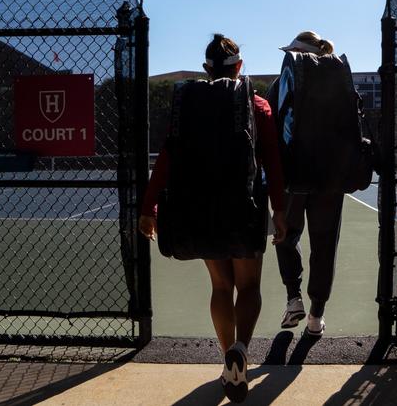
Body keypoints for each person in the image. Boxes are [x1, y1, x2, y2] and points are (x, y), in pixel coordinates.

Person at [139, 34, 287, 403]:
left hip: (200, 210)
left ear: (207, 70)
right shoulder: (256, 105)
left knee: (221, 287)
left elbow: (168, 157)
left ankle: (226, 360)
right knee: (249, 287)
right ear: (240, 67)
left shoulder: (187, 105)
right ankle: (241, 349)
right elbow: (272, 161)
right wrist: (280, 211)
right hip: (244, 210)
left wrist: (149, 207)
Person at [270, 30, 355, 338]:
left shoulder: (282, 83)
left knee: (285, 235)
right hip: (331, 177)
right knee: (324, 243)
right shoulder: (338, 80)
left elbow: (271, 131)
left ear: (295, 53)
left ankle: (293, 298)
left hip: (293, 176)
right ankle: (316, 315)